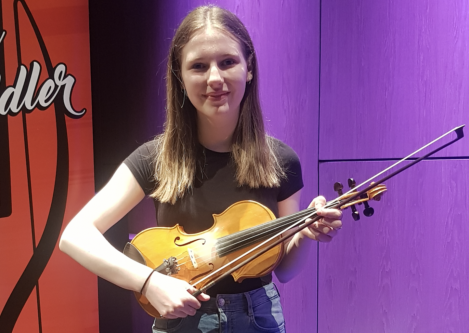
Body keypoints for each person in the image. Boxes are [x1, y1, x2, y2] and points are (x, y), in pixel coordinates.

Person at [59, 5, 342, 333]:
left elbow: (286, 270)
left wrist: (305, 233)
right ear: (179, 76)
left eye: (228, 62)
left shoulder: (281, 160)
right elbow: (74, 236)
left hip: (259, 319)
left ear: (248, 68)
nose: (215, 78)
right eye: (198, 66)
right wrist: (149, 282)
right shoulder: (155, 158)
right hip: (183, 322)